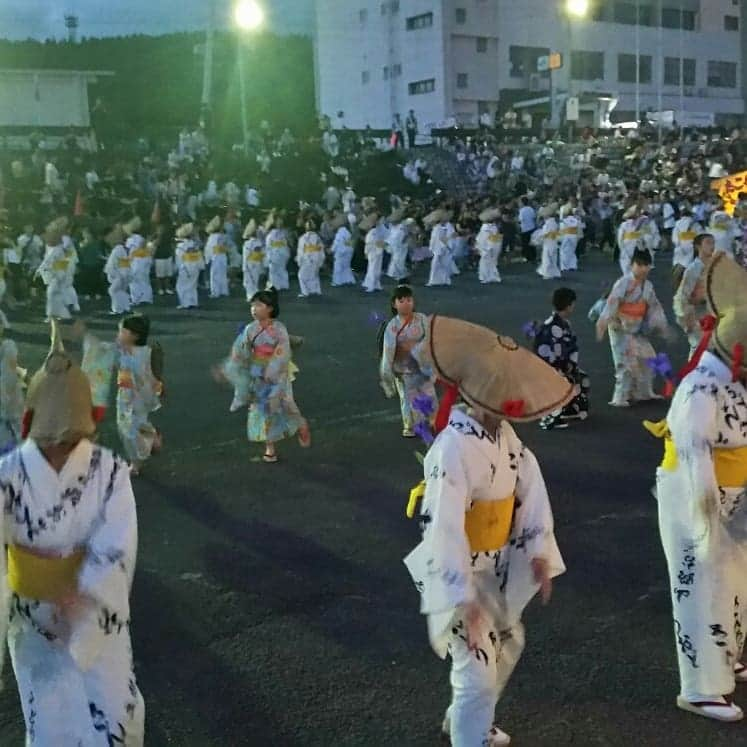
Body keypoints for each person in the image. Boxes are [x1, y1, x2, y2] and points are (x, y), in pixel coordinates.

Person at [404, 314, 573, 747]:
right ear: (477, 399)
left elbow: (529, 488)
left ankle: (467, 720)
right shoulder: (453, 446)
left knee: (506, 645)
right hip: (461, 566)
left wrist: (537, 550)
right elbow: (442, 522)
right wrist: (462, 596)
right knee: (477, 667)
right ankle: (470, 735)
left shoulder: (507, 439)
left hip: (495, 565)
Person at [1, 321, 144, 744]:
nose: (59, 449)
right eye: (51, 440)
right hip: (34, 621)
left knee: (116, 713)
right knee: (50, 720)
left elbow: (118, 546)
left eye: (67, 440)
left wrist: (84, 596)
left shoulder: (110, 472)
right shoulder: (7, 476)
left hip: (94, 619)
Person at [650, 252, 747, 724]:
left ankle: (730, 655)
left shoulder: (733, 378)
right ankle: (701, 687)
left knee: (737, 582)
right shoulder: (700, 389)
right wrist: (708, 520)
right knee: (700, 583)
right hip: (694, 495)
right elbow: (695, 458)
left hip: (736, 492)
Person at [217, 288, 310, 463]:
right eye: (253, 305)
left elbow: (282, 353)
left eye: (259, 305)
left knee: (287, 403)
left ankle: (301, 424)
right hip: (257, 372)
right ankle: (270, 447)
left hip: (278, 373)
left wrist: (272, 370)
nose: (253, 308)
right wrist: (230, 368)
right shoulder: (249, 329)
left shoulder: (279, 329)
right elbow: (239, 350)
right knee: (262, 410)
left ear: (270, 308)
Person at [80, 314, 163, 476]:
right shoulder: (123, 350)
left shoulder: (142, 354)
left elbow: (145, 377)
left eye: (123, 332)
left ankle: (136, 463)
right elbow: (103, 350)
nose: (118, 335)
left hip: (138, 398)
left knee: (130, 429)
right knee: (127, 426)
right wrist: (87, 336)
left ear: (135, 336)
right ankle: (151, 437)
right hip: (125, 395)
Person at [596, 249, 672, 407]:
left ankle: (643, 392)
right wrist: (603, 323)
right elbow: (612, 302)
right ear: (632, 265)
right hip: (620, 326)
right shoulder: (623, 283)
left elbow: (654, 307)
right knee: (625, 363)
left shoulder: (648, 286)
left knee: (648, 359)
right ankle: (620, 397)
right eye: (640, 265)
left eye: (646, 265)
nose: (643, 269)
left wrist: (661, 325)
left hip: (637, 327)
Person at [379, 285, 435, 438]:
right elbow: (388, 352)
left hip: (423, 367)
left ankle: (429, 422)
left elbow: (430, 339)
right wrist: (387, 376)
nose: (406, 303)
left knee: (428, 395)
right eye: (401, 300)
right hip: (403, 370)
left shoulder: (422, 319)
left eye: (409, 300)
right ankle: (410, 426)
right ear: (394, 304)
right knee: (409, 399)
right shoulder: (392, 327)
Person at [533, 287, 590, 429]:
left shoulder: (558, 324)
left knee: (581, 378)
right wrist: (567, 366)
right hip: (550, 367)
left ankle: (568, 408)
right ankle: (549, 416)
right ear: (569, 305)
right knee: (565, 381)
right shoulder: (554, 326)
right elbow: (557, 352)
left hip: (557, 364)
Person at [673, 233, 716, 357]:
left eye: (713, 243)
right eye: (708, 242)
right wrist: (687, 319)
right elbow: (682, 297)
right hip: (698, 316)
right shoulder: (693, 269)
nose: (712, 246)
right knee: (700, 350)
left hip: (713, 314)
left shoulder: (714, 266)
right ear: (698, 247)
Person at [38, 221, 72, 321]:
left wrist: (41, 269)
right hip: (57, 272)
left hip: (59, 272)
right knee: (55, 294)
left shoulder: (59, 246)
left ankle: (52, 315)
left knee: (52, 293)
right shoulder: (54, 246)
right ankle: (61, 314)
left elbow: (49, 260)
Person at [103, 223, 132, 316]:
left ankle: (118, 309)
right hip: (120, 275)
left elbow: (124, 263)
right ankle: (125, 308)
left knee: (113, 291)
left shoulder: (119, 249)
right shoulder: (118, 249)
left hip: (119, 276)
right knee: (119, 292)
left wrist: (123, 275)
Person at [174, 222, 204, 310]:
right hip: (195, 266)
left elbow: (179, 259)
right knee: (192, 285)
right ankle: (193, 302)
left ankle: (185, 303)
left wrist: (177, 268)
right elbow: (199, 256)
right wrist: (200, 266)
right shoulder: (195, 244)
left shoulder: (180, 246)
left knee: (181, 286)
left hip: (185, 267)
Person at [125, 217, 153, 306]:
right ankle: (147, 298)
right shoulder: (143, 239)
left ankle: (136, 299)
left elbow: (128, 252)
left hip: (135, 262)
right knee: (145, 280)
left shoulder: (130, 240)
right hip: (145, 261)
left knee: (134, 282)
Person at [671, 205, 702, 283]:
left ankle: (677, 281)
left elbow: (675, 237)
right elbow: (701, 235)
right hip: (692, 246)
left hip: (680, 246)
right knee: (690, 265)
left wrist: (677, 244)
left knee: (678, 264)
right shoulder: (695, 224)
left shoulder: (678, 223)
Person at [296, 219, 325, 298]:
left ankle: (305, 292)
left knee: (301, 275)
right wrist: (321, 260)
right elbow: (321, 249)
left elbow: (301, 251)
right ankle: (316, 290)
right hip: (316, 258)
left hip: (307, 258)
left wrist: (299, 261)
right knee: (314, 275)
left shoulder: (303, 238)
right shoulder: (318, 238)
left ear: (306, 227)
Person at [204, 215, 231, 298]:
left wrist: (207, 259)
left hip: (215, 257)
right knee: (223, 274)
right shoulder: (224, 236)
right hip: (223, 256)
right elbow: (228, 246)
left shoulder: (212, 237)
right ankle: (224, 291)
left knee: (214, 275)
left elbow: (208, 248)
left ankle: (215, 292)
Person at [426, 209, 454, 287]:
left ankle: (443, 280)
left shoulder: (443, 227)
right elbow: (435, 239)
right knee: (438, 264)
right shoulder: (437, 227)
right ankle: (436, 280)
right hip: (439, 248)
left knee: (443, 264)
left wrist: (447, 246)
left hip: (442, 248)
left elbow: (443, 238)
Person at [475, 207, 502, 284]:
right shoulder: (494, 226)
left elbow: (482, 238)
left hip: (487, 246)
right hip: (492, 245)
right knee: (491, 262)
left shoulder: (485, 227)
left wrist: (480, 246)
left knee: (485, 262)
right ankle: (491, 276)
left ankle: (485, 276)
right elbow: (496, 237)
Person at [264, 213, 291, 291]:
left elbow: (286, 243)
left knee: (281, 269)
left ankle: (283, 285)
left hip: (282, 252)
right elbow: (268, 246)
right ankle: (275, 286)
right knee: (274, 270)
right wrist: (269, 256)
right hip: (274, 253)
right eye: (278, 221)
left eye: (280, 221)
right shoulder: (270, 234)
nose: (279, 222)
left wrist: (287, 253)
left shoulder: (284, 232)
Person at [361, 212, 387, 293]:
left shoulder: (373, 232)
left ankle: (371, 285)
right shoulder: (379, 229)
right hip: (378, 251)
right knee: (376, 268)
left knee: (372, 268)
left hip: (373, 252)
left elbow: (368, 244)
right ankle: (375, 284)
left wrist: (366, 252)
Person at [536, 203, 561, 280]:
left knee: (547, 258)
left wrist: (538, 239)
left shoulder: (548, 224)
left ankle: (547, 273)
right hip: (553, 241)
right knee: (553, 258)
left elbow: (544, 234)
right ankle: (553, 273)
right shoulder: (554, 223)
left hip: (548, 242)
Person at [330, 213, 356, 287]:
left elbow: (337, 242)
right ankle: (349, 279)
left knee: (338, 267)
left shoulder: (341, 231)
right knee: (346, 266)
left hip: (341, 251)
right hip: (349, 250)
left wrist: (332, 249)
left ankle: (337, 281)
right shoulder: (351, 230)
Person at [242, 219, 265, 300]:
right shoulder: (258, 242)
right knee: (254, 279)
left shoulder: (248, 244)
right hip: (256, 262)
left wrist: (244, 266)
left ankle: (251, 295)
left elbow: (245, 256)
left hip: (251, 263)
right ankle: (253, 294)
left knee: (250, 280)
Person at [386, 208, 410, 282]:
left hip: (401, 246)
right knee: (395, 261)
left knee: (398, 261)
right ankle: (400, 275)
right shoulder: (393, 226)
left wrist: (403, 243)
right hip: (395, 245)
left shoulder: (403, 225)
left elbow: (406, 235)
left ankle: (403, 276)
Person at [617, 206, 642, 275]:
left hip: (627, 245)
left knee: (626, 265)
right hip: (634, 245)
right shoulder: (639, 224)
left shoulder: (624, 225)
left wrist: (621, 247)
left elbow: (620, 238)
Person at [153, 221, 176, 296]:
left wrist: (172, 253)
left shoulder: (169, 235)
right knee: (159, 274)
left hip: (168, 255)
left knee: (168, 274)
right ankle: (160, 289)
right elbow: (154, 244)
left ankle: (167, 288)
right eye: (160, 228)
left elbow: (172, 243)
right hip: (159, 256)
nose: (162, 229)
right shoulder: (155, 235)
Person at [559, 204, 581, 273]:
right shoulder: (576, 220)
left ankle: (564, 267)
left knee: (563, 251)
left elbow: (560, 221)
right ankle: (573, 266)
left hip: (567, 235)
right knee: (572, 251)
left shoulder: (565, 219)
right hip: (574, 236)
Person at [518, 197, 536, 263]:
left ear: (522, 203)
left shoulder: (521, 210)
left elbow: (520, 220)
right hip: (532, 227)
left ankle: (527, 257)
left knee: (525, 244)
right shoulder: (531, 209)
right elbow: (534, 217)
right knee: (532, 243)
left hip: (525, 229)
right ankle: (533, 256)